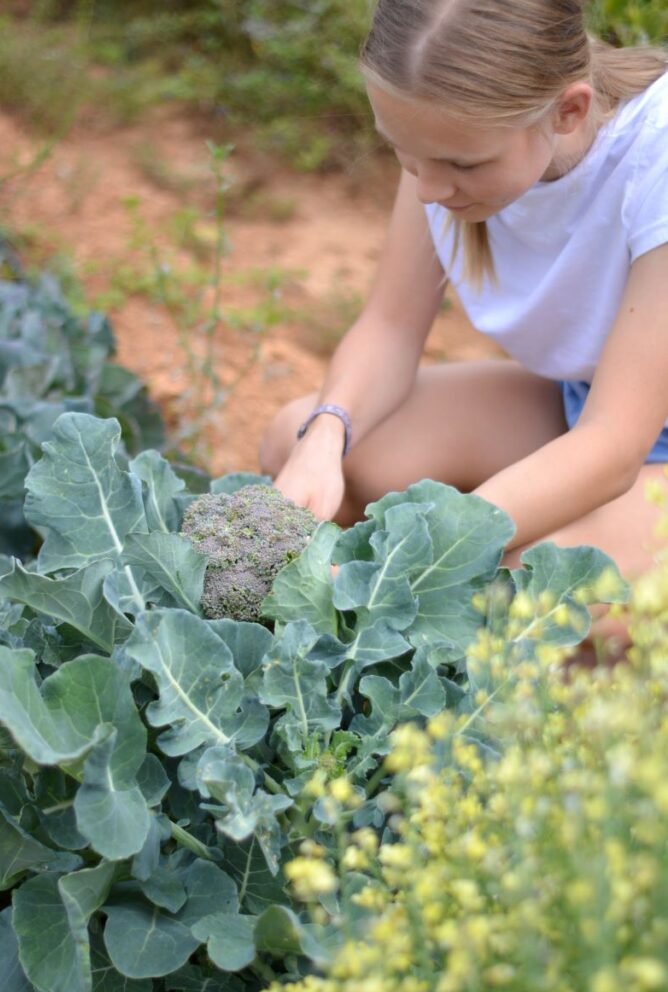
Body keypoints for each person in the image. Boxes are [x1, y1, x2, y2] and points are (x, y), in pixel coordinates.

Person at [259, 0, 668, 603]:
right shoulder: (442, 140)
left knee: (532, 588)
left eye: (461, 163)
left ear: (568, 110)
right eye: (405, 152)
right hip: (586, 403)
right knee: (293, 441)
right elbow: (391, 328)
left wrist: (426, 554)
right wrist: (324, 437)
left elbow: (613, 445)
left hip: (619, 432)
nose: (428, 188)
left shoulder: (656, 158)